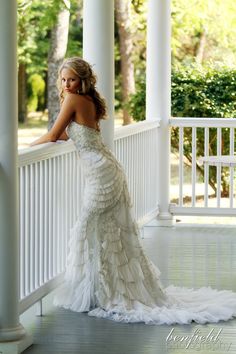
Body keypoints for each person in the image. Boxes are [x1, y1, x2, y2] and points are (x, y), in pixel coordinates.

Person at [30, 57, 236, 325]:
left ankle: (104, 290)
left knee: (90, 227)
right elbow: (73, 134)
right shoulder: (88, 100)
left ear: (82, 81)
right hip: (106, 169)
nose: (67, 84)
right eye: (64, 79)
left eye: (72, 79)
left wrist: (24, 147)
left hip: (101, 174)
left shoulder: (73, 100)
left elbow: (56, 134)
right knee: (101, 231)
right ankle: (100, 289)